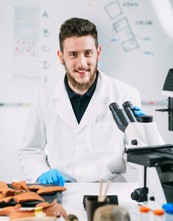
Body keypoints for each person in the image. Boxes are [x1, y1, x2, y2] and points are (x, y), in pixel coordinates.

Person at [18, 17, 142, 185]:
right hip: (62, 190)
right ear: (61, 57)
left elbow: (141, 153)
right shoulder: (43, 96)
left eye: (88, 53)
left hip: (110, 191)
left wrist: (146, 130)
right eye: (73, 55)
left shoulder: (125, 94)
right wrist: (41, 173)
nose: (82, 63)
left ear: (98, 52)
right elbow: (30, 150)